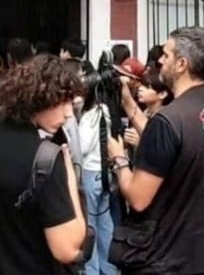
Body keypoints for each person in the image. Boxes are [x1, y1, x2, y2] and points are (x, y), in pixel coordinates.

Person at [107, 26, 204, 274]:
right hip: (203, 252)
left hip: (166, 257)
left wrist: (119, 160)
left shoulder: (168, 120)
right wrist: (130, 106)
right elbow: (179, 148)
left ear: (182, 64)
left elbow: (138, 198)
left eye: (166, 55)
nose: (159, 61)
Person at [0, 54, 88, 274]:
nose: (68, 114)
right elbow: (67, 249)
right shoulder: (46, 157)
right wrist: (68, 171)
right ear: (40, 98)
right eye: (63, 102)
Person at [78, 81, 116, 275]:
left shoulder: (90, 117)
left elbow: (82, 147)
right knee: (105, 224)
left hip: (90, 173)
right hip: (105, 174)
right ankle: (109, 268)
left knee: (90, 226)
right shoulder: (106, 111)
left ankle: (91, 270)